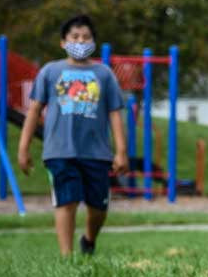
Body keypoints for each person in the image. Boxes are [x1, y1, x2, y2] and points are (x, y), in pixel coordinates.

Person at [18, 14, 128, 256]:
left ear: (94, 42)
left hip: (96, 152)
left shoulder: (104, 74)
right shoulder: (50, 71)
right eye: (75, 37)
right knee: (66, 202)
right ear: (63, 42)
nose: (81, 41)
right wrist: (23, 148)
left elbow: (115, 113)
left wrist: (121, 151)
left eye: (86, 37)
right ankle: (67, 260)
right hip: (59, 151)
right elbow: (34, 110)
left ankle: (89, 240)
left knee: (98, 208)